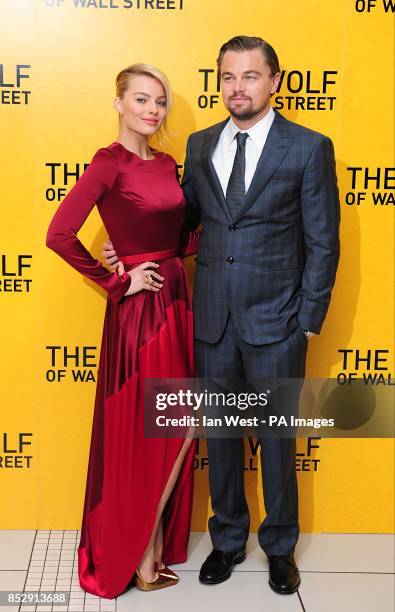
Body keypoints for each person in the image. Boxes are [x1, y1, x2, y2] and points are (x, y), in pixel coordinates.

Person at [104, 35, 340, 595]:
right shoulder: (200, 143)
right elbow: (179, 225)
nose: (238, 87)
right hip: (210, 318)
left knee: (277, 439)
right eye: (228, 77)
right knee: (222, 437)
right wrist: (130, 251)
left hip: (278, 322)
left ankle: (280, 547)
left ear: (274, 81)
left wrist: (307, 319)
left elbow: (323, 242)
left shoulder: (308, 147)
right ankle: (230, 539)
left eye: (250, 76)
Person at [46, 63, 199, 599]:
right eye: (141, 99)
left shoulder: (167, 163)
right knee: (158, 427)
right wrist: (118, 280)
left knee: (179, 424)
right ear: (119, 103)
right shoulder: (107, 164)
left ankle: (148, 541)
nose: (153, 110)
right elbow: (59, 234)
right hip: (141, 314)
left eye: (160, 102)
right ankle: (143, 553)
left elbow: (180, 236)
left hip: (177, 297)